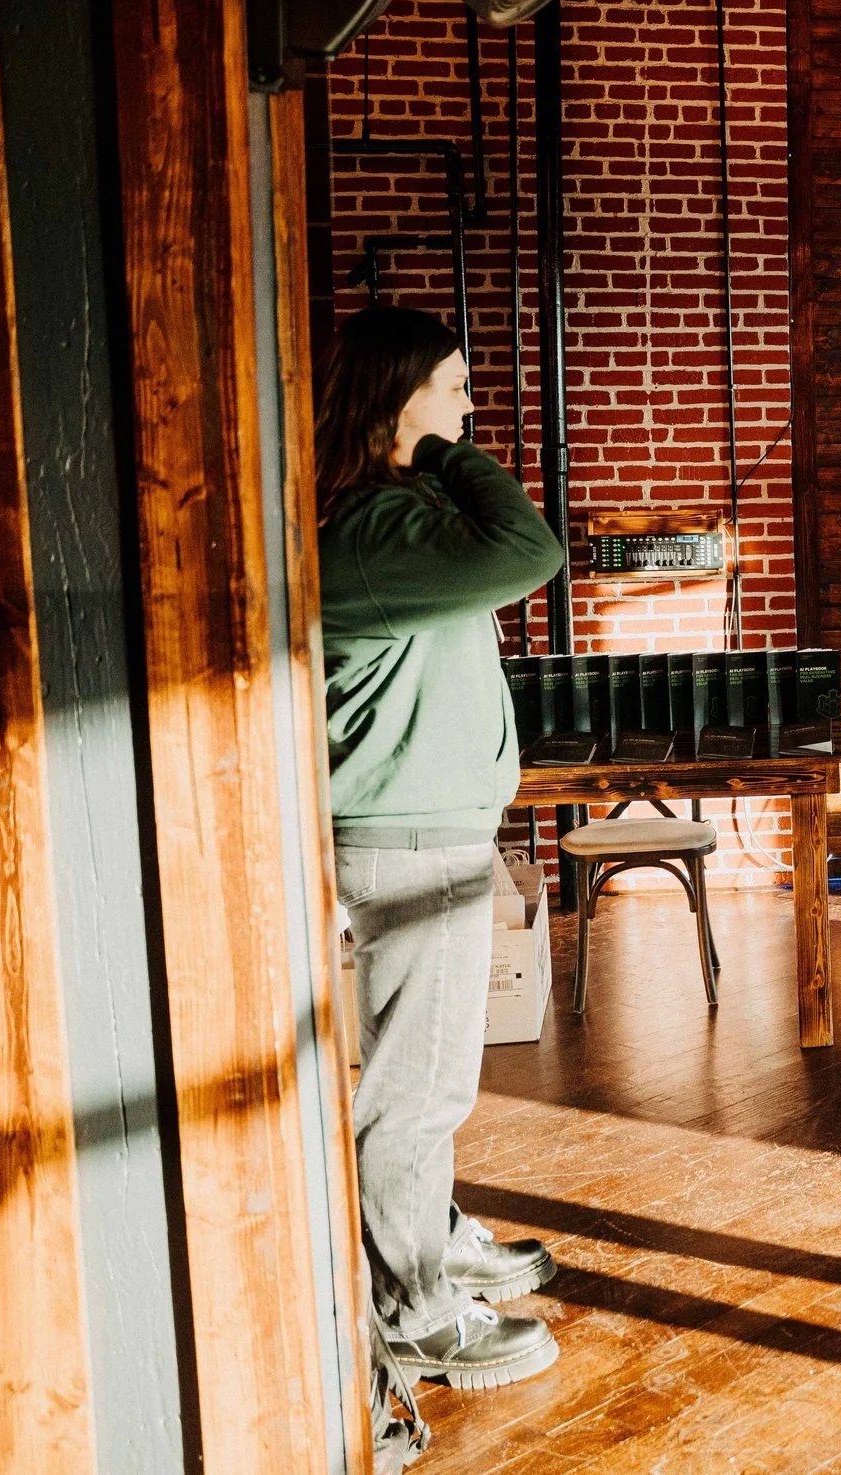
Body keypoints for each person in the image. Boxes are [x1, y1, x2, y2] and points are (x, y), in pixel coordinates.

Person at [318, 303, 568, 1387]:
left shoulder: (394, 521)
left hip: (431, 828)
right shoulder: (374, 530)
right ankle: (414, 1307)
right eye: (454, 389)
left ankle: (430, 1228)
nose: (470, 408)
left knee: (431, 1078)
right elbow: (532, 548)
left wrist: (429, 452)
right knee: (415, 1089)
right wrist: (449, 453)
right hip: (409, 840)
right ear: (399, 400)